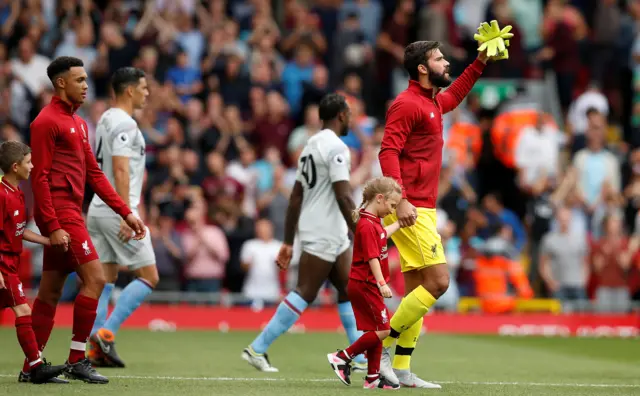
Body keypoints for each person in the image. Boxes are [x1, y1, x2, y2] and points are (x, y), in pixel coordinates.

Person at [377, 38, 502, 387]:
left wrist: (479, 62)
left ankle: (400, 369)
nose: (446, 63)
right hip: (409, 206)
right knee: (439, 282)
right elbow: (387, 153)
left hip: (423, 206)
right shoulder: (406, 104)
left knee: (417, 285)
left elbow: (456, 94)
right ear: (422, 68)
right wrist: (400, 200)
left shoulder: (431, 101)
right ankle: (378, 347)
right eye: (439, 58)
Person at [29, 57, 146, 384]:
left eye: (86, 79)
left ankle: (32, 365)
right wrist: (51, 225)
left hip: (70, 212)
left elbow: (94, 174)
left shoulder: (79, 124)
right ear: (61, 83)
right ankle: (77, 359)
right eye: (78, 80)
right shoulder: (45, 122)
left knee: (50, 292)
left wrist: (125, 211)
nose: (85, 85)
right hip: (62, 214)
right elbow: (39, 178)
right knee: (95, 280)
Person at [242, 93, 366, 372]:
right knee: (306, 291)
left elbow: (296, 196)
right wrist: (362, 231)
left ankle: (357, 356)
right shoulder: (336, 148)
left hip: (326, 229)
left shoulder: (309, 145)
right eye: (350, 114)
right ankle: (257, 349)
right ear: (341, 116)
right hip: (323, 230)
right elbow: (344, 197)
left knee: (348, 290)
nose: (352, 119)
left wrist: (287, 240)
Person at [86, 67, 157, 368]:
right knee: (149, 277)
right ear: (130, 90)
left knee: (106, 278)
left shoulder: (104, 118)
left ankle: (91, 349)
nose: (147, 92)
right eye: (143, 87)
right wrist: (127, 213)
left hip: (98, 209)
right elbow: (120, 169)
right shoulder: (125, 124)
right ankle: (105, 334)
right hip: (117, 211)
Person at [0, 141, 68, 384]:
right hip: (3, 263)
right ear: (15, 166)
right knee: (24, 310)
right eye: (29, 162)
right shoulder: (1, 194)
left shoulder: (16, 192)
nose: (33, 166)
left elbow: (17, 231)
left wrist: (46, 241)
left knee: (22, 310)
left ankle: (34, 367)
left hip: (11, 262)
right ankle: (36, 367)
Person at [327, 176, 402, 390]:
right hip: (367, 284)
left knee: (376, 330)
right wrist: (381, 283)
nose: (392, 210)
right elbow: (372, 257)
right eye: (392, 205)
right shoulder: (367, 225)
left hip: (364, 284)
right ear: (380, 198)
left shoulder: (372, 221)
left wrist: (399, 224)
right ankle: (343, 357)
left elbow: (382, 236)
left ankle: (372, 377)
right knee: (384, 330)